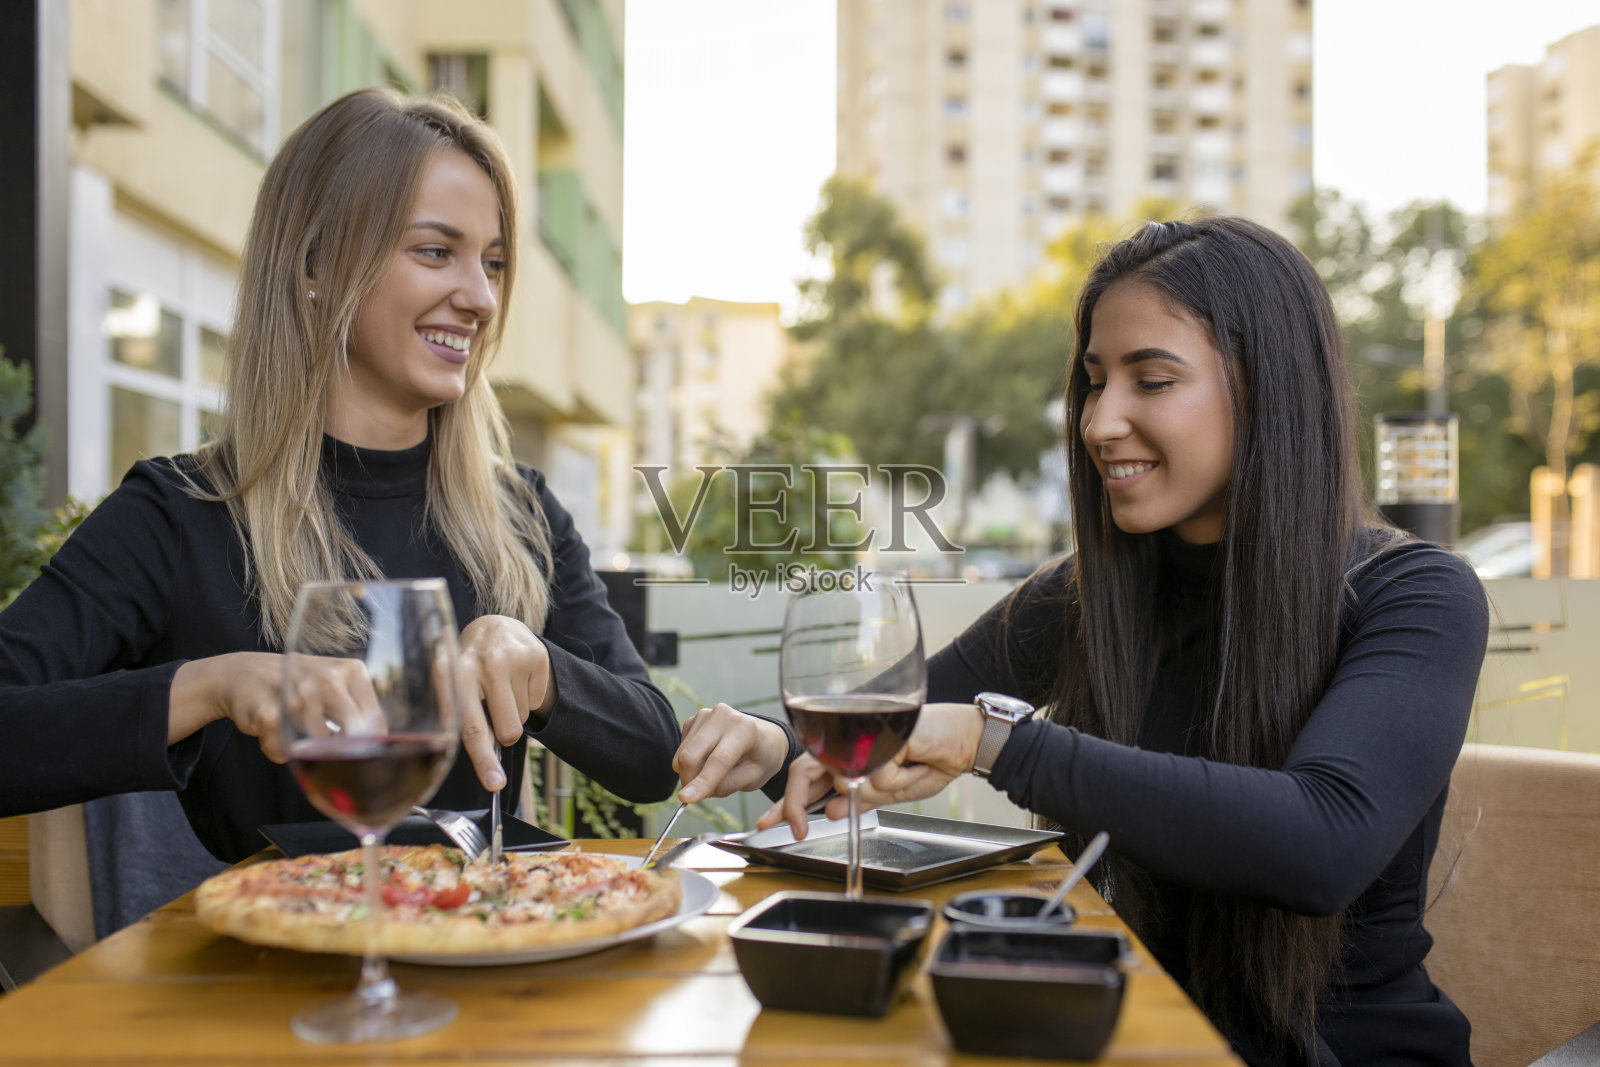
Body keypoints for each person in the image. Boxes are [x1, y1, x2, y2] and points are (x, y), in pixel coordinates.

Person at [677, 217, 1488, 1066]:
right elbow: (896, 716)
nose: (1101, 422)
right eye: (1096, 383)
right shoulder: (1090, 592)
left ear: (1270, 388)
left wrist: (997, 742)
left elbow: (1323, 842)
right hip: (1127, 1033)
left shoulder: (1417, 595)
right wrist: (773, 740)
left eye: (1153, 380)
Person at [0, 88, 680, 863]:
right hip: (272, 967)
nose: (481, 297)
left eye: (492, 262)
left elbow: (656, 753)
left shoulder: (518, 511)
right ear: (317, 263)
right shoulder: (177, 513)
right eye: (435, 251)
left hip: (487, 958)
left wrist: (545, 667)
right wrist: (211, 686)